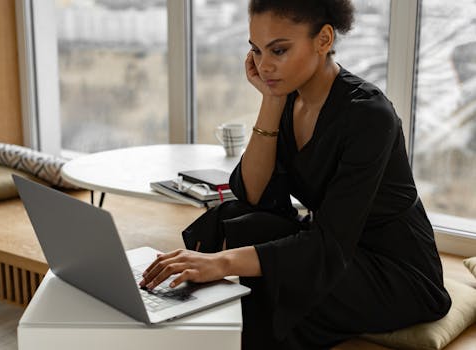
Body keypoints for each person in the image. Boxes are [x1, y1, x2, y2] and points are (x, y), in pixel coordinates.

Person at [140, 0, 452, 348]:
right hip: (334, 250)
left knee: (269, 283)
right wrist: (271, 100)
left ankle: (230, 332)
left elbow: (328, 244)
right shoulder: (289, 96)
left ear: (323, 40)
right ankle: (196, 316)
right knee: (234, 217)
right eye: (256, 51)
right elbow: (255, 195)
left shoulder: (369, 116)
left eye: (279, 50)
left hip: (393, 272)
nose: (264, 64)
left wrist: (220, 262)